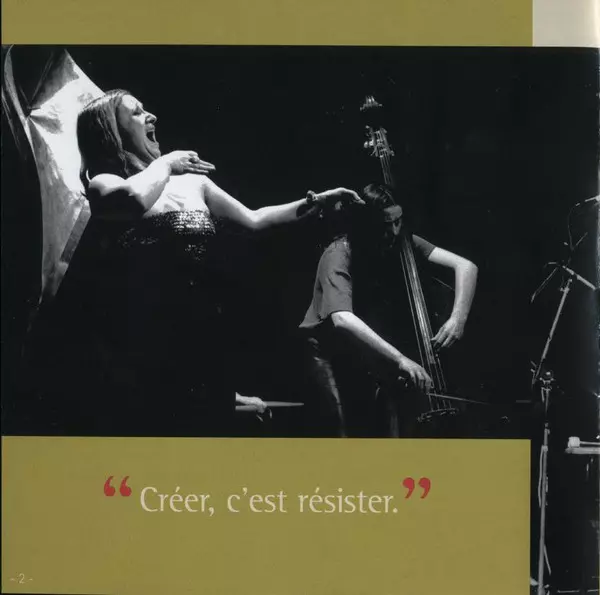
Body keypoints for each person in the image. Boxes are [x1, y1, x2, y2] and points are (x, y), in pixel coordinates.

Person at [53, 88, 363, 436]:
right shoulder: (106, 183)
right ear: (112, 132)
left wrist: (318, 202)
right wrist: (166, 163)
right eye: (136, 113)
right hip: (149, 352)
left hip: (207, 344)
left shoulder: (194, 183)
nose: (151, 116)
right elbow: (132, 201)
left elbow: (255, 219)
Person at [299, 183, 478, 437]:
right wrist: (400, 359)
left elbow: (466, 267)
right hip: (326, 353)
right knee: (341, 432)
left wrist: (458, 319)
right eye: (386, 225)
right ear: (367, 225)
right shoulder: (338, 252)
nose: (394, 231)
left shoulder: (399, 239)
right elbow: (342, 319)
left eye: (398, 222)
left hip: (361, 350)